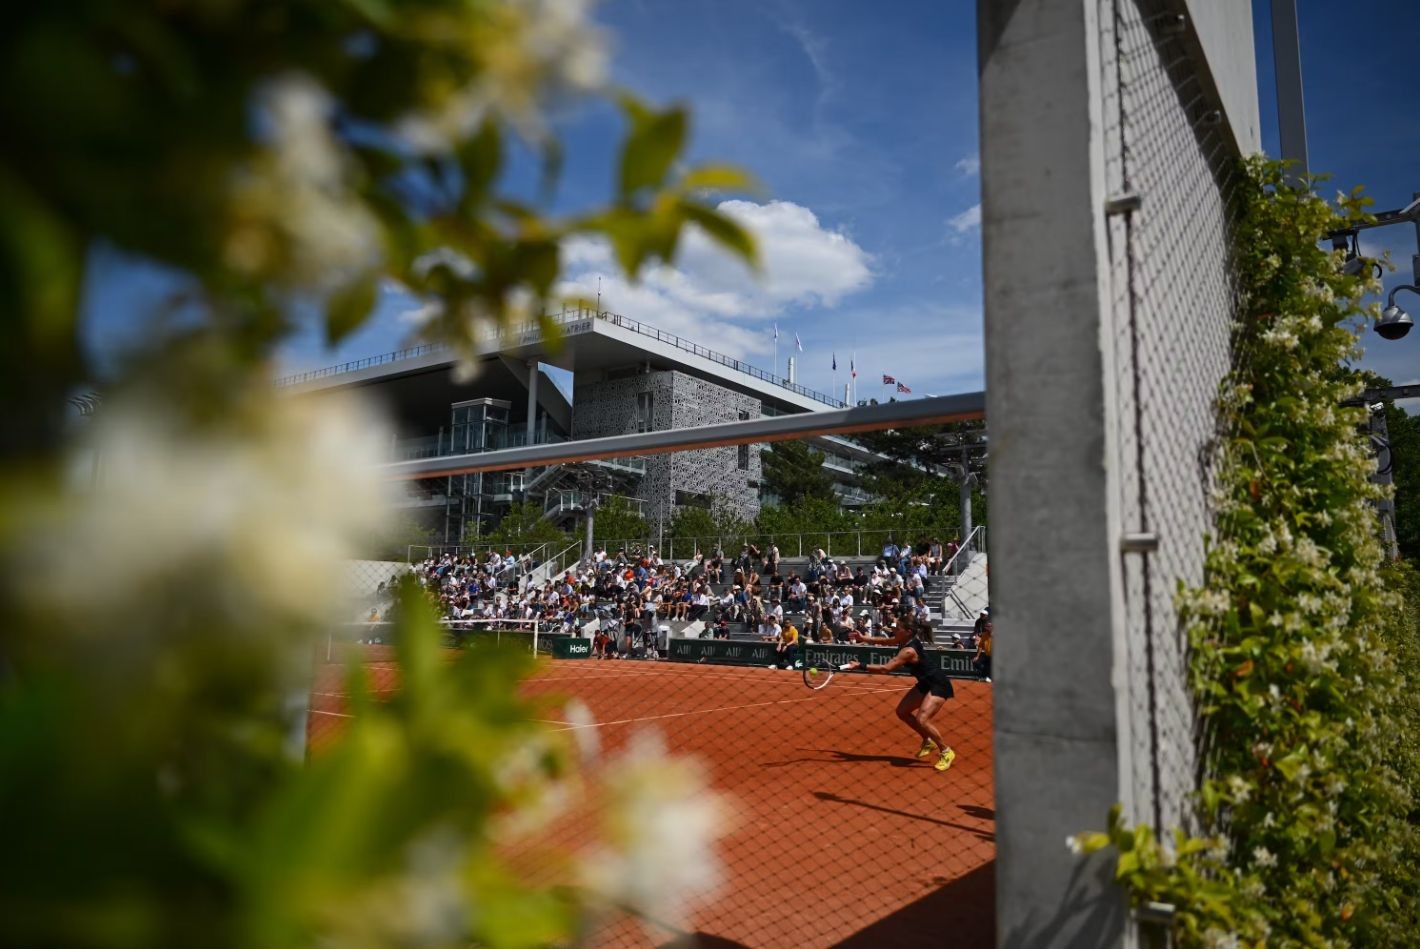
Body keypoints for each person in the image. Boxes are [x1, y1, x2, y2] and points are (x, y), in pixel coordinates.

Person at [846, 618, 958, 772]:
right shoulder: (904, 640)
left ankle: (946, 751)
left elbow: (886, 668)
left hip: (938, 684)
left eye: (898, 628)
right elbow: (885, 641)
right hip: (925, 683)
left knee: (922, 719)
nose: (894, 630)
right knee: (902, 712)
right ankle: (928, 740)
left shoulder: (908, 651)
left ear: (908, 632)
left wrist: (860, 665)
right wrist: (863, 638)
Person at [973, 615, 993, 682]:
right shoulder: (984, 635)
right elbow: (980, 646)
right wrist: (977, 656)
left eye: (988, 626)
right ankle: (986, 675)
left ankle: (989, 677)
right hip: (987, 655)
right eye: (986, 626)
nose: (986, 628)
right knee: (976, 662)